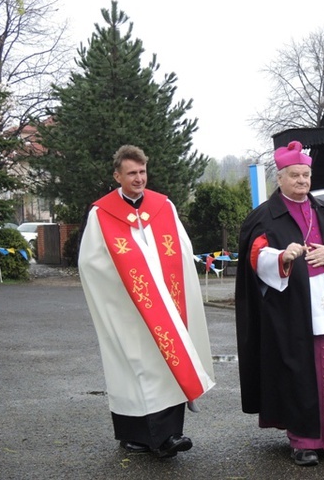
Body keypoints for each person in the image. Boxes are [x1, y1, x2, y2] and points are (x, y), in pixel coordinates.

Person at [235, 140, 324, 467]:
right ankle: (303, 441)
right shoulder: (266, 215)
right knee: (299, 373)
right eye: (295, 176)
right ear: (280, 178)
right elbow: (255, 255)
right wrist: (282, 257)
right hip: (290, 309)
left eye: (306, 175)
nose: (302, 181)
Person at [79, 145, 215, 459]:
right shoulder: (102, 214)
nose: (139, 178)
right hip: (126, 307)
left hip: (167, 306)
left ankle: (169, 436)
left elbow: (180, 250)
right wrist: (124, 284)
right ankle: (135, 436)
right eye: (131, 173)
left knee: (166, 365)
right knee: (132, 368)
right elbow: (90, 264)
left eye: (142, 172)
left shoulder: (163, 207)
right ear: (117, 176)